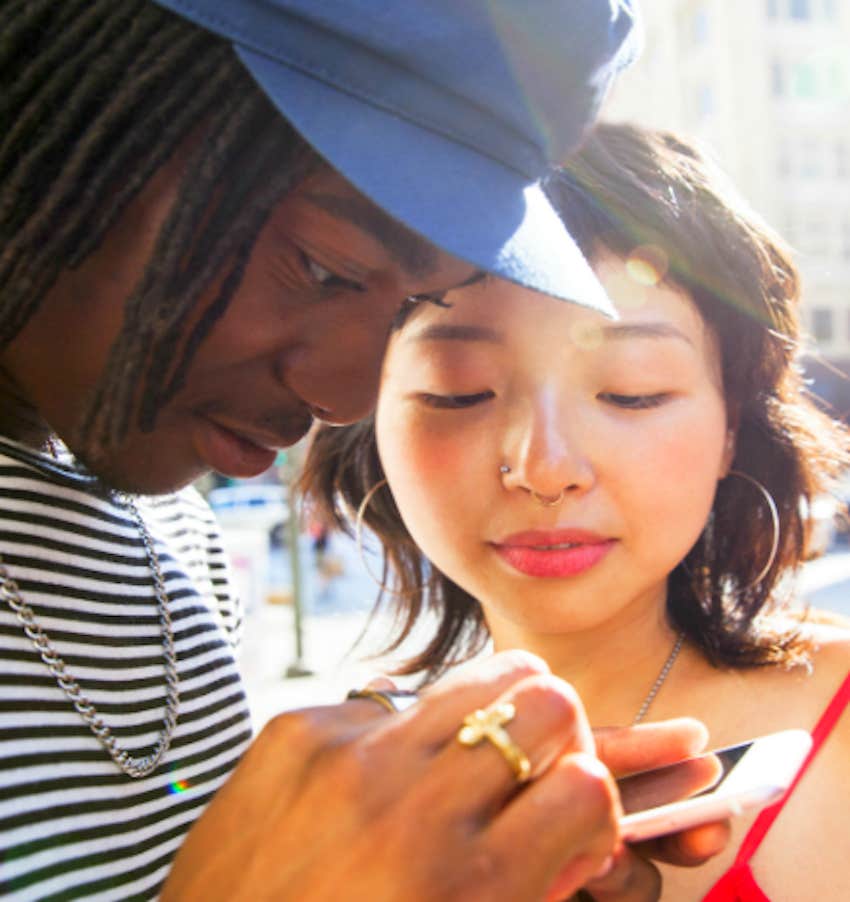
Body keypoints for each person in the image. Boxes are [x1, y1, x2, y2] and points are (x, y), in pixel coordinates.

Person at [0, 2, 728, 899]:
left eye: (396, 312)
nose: (342, 397)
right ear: (81, 94)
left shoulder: (175, 547)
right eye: (324, 268)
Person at [302, 122, 850, 901]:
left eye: (631, 390)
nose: (545, 469)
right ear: (372, 421)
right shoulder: (342, 789)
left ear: (732, 427)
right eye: (461, 390)